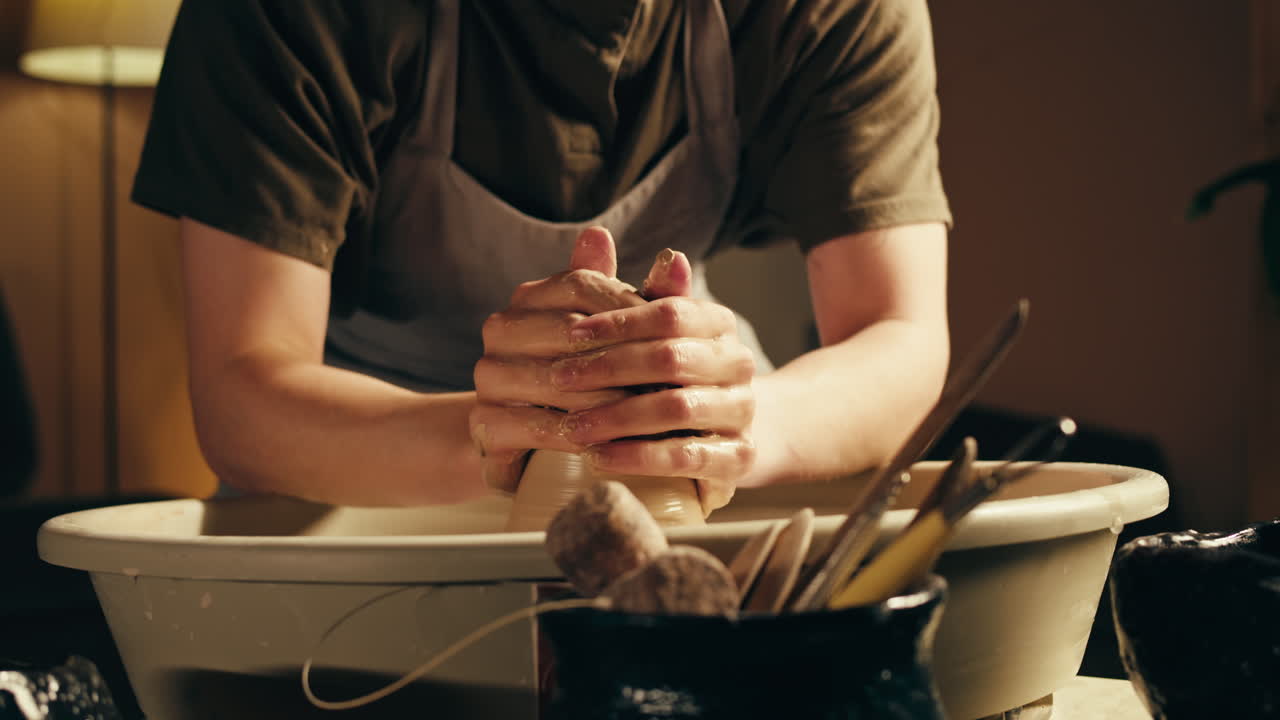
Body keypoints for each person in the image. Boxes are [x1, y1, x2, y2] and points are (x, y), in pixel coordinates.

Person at [131, 0, 952, 511]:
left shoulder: (831, 12)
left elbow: (900, 336)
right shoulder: (293, 13)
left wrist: (717, 425)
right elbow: (243, 392)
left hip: (686, 434)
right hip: (362, 456)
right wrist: (516, 432)